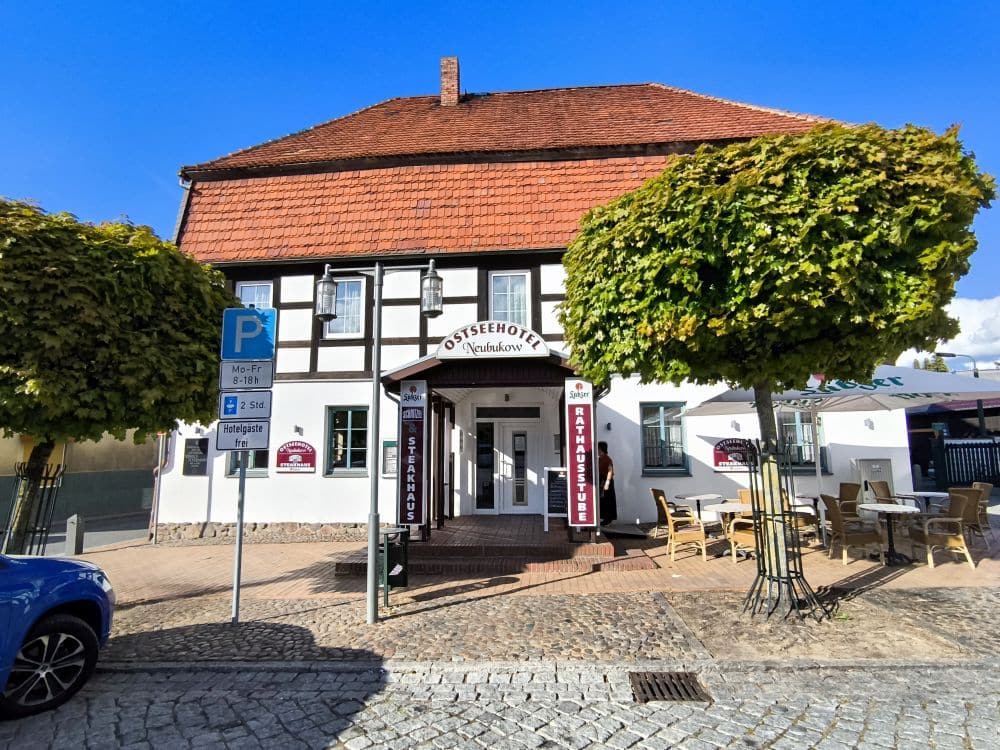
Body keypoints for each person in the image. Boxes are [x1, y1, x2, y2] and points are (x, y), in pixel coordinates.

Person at [598, 441, 617, 525]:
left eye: (598, 449)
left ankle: (608, 519)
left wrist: (607, 483)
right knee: (603, 501)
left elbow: (610, 471)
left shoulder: (607, 459)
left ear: (601, 449)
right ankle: (604, 518)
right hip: (601, 480)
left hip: (607, 481)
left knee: (608, 500)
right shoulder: (600, 459)